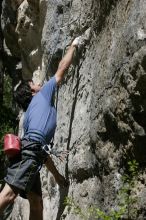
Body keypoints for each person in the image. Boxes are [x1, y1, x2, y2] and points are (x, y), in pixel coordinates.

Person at [0, 37, 81, 220]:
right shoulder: (43, 93)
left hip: (30, 156)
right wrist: (73, 45)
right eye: (33, 84)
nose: (38, 83)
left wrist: (59, 178)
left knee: (37, 204)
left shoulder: (29, 117)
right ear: (33, 91)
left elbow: (40, 152)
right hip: (29, 156)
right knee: (8, 195)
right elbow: (62, 69)